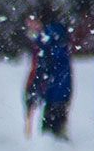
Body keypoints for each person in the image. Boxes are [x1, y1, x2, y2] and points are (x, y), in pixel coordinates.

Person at [24, 9, 74, 139]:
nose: (30, 26)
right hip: (61, 91)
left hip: (54, 92)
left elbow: (42, 67)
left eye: (31, 22)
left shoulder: (46, 39)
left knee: (50, 135)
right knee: (56, 129)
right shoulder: (56, 36)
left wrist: (34, 87)